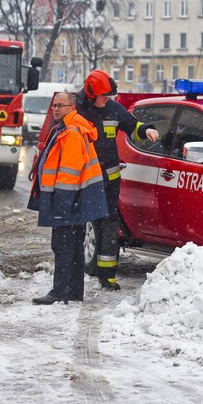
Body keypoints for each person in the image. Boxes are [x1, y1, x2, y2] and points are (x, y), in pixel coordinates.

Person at [75, 70, 159, 291]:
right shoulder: (77, 111)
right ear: (91, 94)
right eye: (104, 96)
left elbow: (133, 125)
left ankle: (107, 276)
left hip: (109, 181)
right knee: (77, 226)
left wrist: (148, 130)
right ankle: (74, 273)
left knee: (109, 227)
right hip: (83, 181)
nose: (107, 100)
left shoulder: (113, 109)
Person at [28, 92, 108, 304]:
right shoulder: (66, 128)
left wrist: (62, 203)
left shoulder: (71, 132)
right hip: (77, 199)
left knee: (63, 247)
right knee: (73, 247)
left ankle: (60, 292)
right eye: (54, 105)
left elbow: (70, 171)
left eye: (61, 105)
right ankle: (74, 291)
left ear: (72, 108)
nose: (56, 109)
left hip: (69, 198)